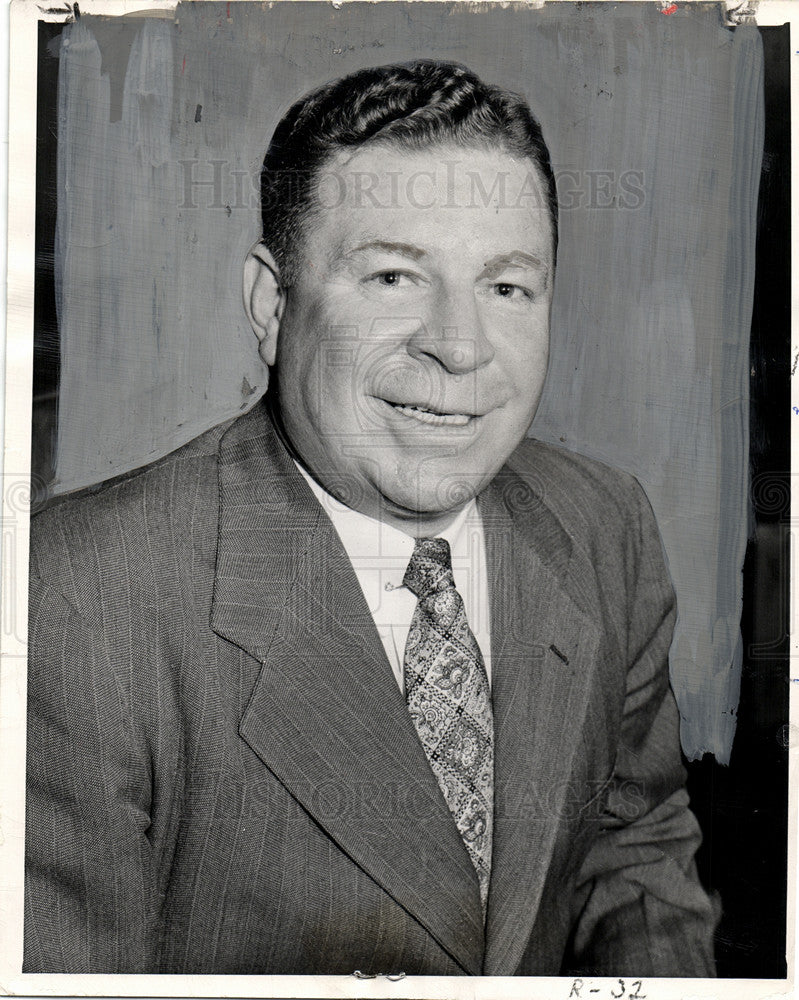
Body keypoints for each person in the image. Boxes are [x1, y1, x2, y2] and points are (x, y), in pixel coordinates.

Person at [25, 59, 717, 977]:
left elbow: (634, 849)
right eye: (394, 277)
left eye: (507, 287)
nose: (459, 346)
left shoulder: (603, 524)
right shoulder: (73, 598)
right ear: (272, 308)